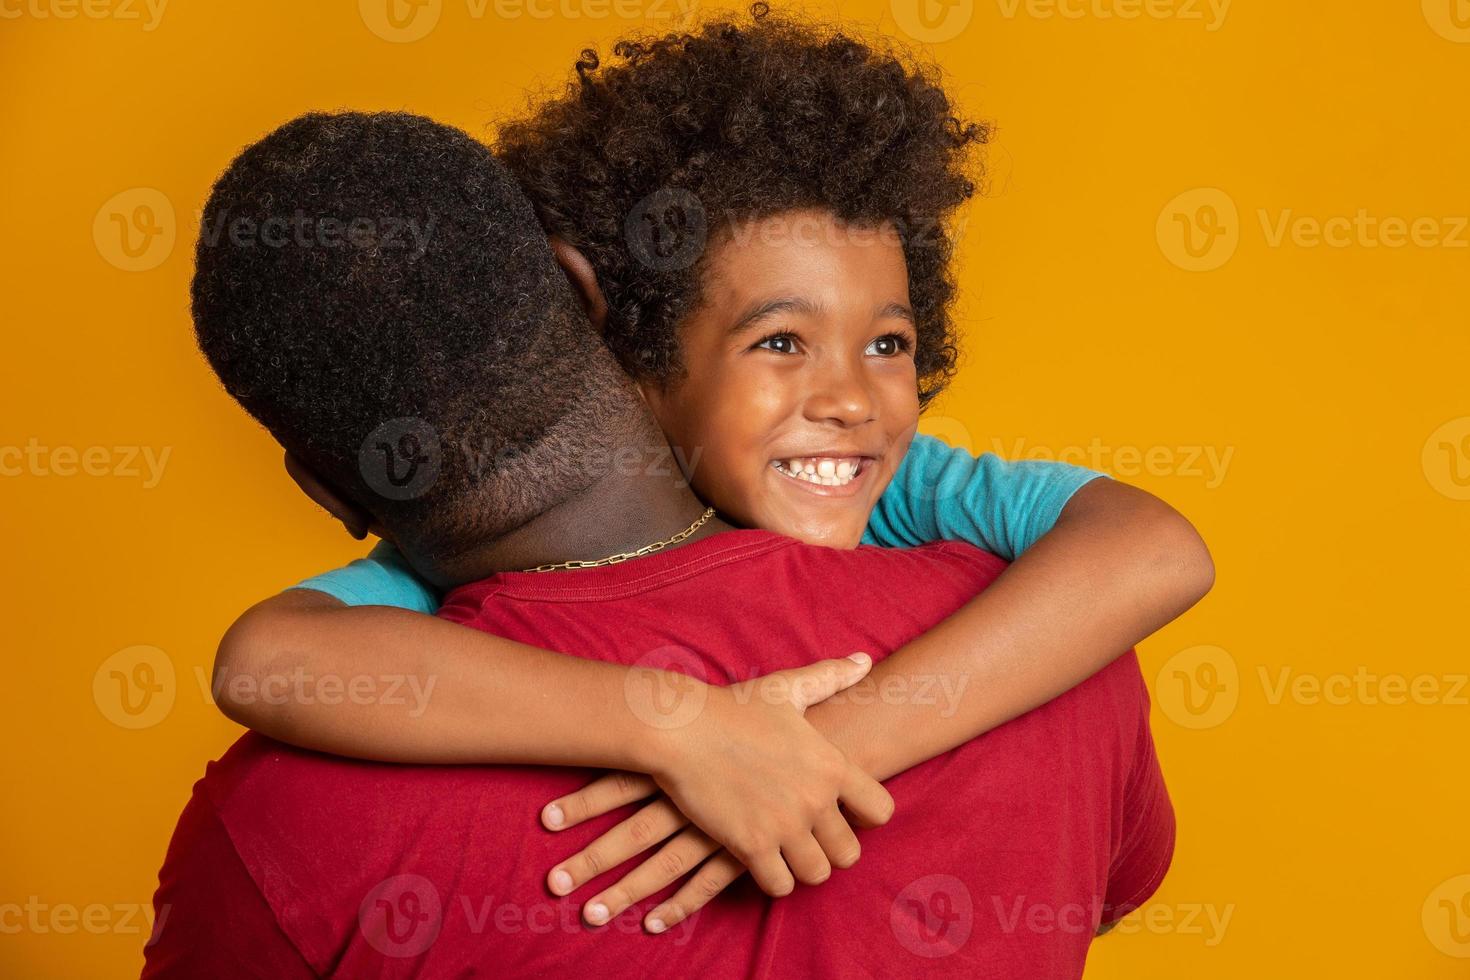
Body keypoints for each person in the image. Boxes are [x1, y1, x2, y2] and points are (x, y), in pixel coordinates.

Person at [202, 10, 1212, 926]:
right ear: (629, 345)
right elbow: (263, 660)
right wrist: (685, 729)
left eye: (891, 344)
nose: (851, 399)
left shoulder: (897, 477)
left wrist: (823, 754)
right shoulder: (428, 586)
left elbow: (1157, 550)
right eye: (778, 343)